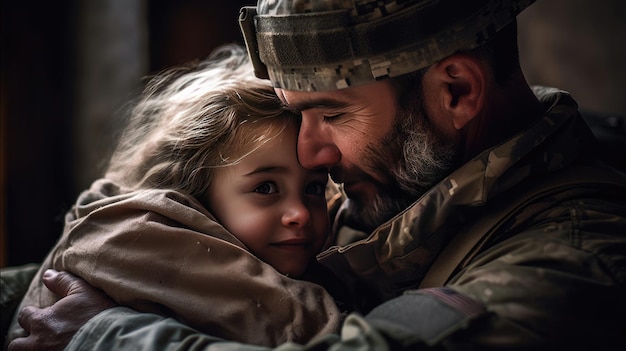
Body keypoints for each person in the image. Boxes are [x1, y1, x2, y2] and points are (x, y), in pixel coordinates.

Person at [7, 0, 626, 350]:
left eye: (332, 113)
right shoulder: (404, 181)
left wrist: (104, 337)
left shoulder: (573, 262)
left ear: (457, 91)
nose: (313, 155)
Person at [4, 44, 346, 348]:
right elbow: (311, 329)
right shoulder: (144, 236)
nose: (299, 213)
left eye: (313, 188)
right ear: (196, 190)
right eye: (266, 188)